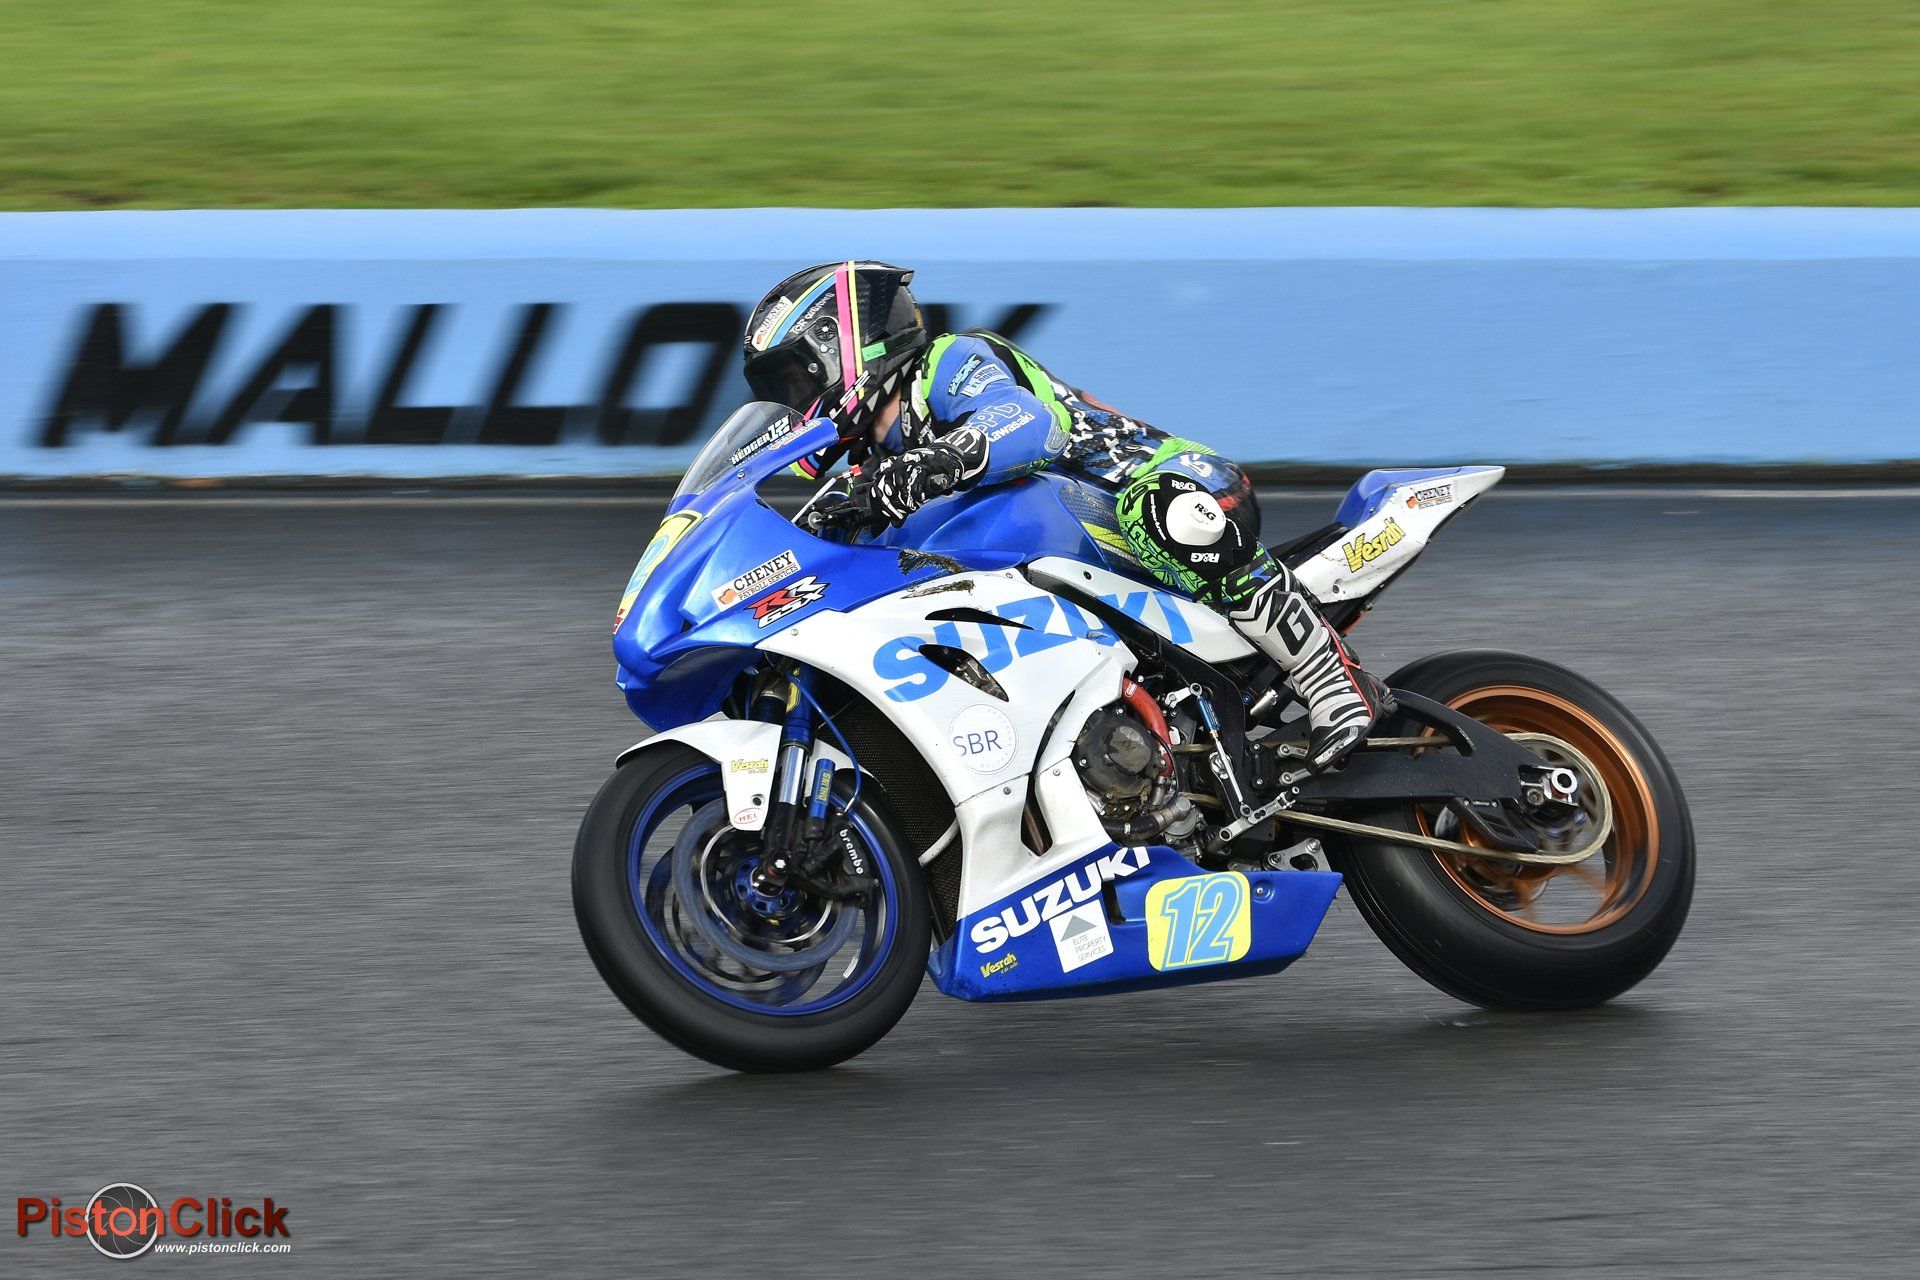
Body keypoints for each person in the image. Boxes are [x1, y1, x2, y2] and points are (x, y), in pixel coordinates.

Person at [741, 261, 1390, 772]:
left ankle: (1332, 680)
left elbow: (1027, 423)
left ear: (846, 347)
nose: (794, 405)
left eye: (797, 384)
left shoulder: (948, 362)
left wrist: (931, 464)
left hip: (1143, 487)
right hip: (1067, 573)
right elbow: (802, 551)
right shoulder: (864, 475)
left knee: (1172, 514)